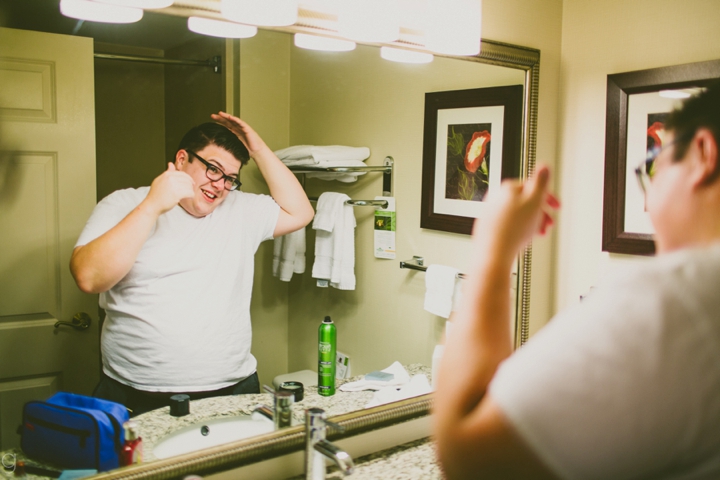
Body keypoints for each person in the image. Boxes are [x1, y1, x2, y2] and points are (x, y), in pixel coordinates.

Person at [434, 82, 720, 479]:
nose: (647, 201)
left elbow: (468, 460)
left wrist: (493, 246)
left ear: (704, 154)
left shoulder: (674, 300)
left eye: (655, 166)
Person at [70, 112, 314, 416]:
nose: (220, 185)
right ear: (182, 159)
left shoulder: (242, 210)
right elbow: (89, 278)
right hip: (135, 390)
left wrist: (259, 150)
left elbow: (301, 213)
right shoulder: (123, 204)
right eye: (213, 169)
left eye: (230, 178)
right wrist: (152, 206)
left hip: (231, 386)